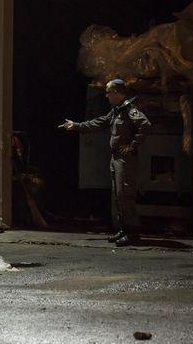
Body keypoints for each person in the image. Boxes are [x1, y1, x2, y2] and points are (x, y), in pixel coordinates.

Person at [60, 79, 151, 246]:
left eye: (108, 92)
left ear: (117, 93)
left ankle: (132, 233)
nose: (107, 95)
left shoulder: (130, 110)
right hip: (116, 157)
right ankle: (124, 229)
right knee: (118, 196)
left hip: (125, 159)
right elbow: (99, 122)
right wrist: (76, 125)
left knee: (125, 196)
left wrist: (132, 145)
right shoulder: (116, 111)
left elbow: (144, 125)